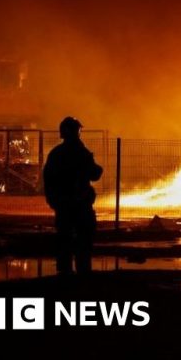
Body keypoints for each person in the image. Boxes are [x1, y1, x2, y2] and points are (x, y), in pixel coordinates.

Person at [43, 117, 103, 275]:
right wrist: (98, 169)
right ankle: (83, 273)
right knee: (84, 239)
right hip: (80, 203)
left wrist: (53, 200)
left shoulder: (56, 154)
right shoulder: (81, 152)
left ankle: (64, 274)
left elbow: (48, 179)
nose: (79, 133)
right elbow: (94, 174)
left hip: (63, 204)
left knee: (64, 239)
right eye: (77, 130)